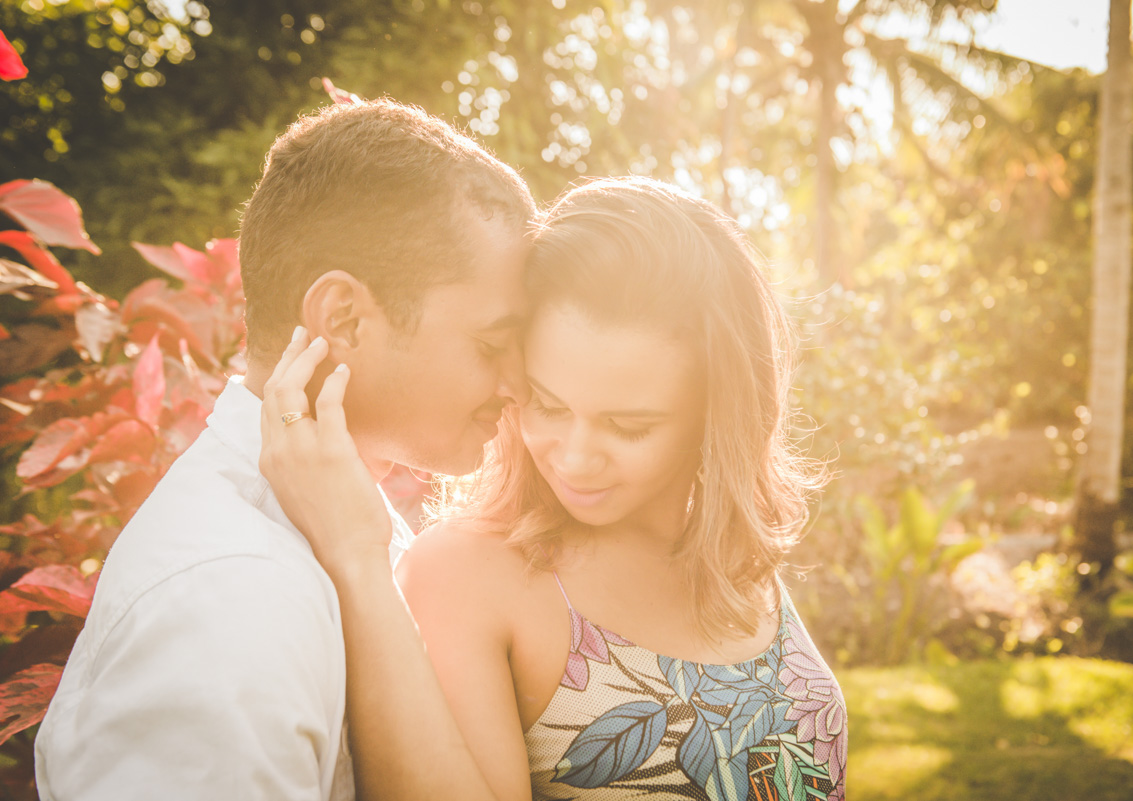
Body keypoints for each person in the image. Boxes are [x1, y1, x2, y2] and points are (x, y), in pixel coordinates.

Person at [259, 176, 848, 801]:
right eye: (546, 402)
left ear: (717, 416)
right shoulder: (470, 573)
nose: (574, 458)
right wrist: (356, 559)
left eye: (628, 426)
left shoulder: (732, 560)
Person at [35, 98, 536, 800]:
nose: (518, 383)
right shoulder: (228, 596)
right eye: (490, 344)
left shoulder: (346, 531)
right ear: (345, 318)